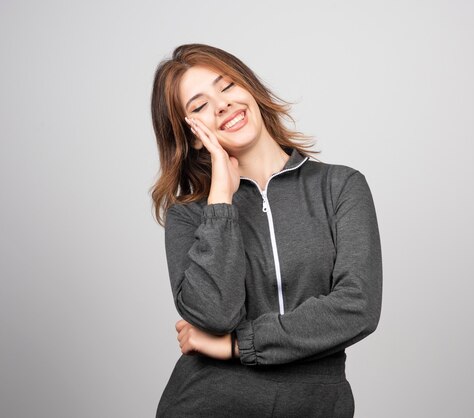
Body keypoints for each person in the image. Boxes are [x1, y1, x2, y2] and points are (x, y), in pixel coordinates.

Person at [149, 43, 383, 418]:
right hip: (206, 404)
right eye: (199, 106)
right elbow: (215, 315)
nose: (222, 104)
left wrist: (237, 345)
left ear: (249, 89)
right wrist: (221, 201)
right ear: (192, 135)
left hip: (317, 406)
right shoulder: (190, 215)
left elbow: (358, 308)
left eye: (226, 86)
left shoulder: (340, 187)